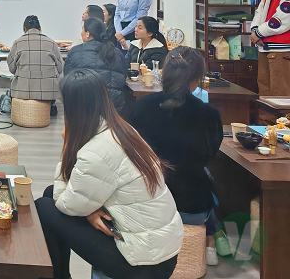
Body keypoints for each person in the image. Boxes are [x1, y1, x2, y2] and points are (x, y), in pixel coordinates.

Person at [35, 70, 182, 279]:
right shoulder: (122, 130)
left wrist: (66, 148)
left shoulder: (96, 152)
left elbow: (68, 205)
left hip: (142, 262)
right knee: (51, 193)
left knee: (43, 206)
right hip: (156, 247)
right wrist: (88, 212)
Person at [129, 47, 223, 266]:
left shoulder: (140, 107)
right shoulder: (209, 114)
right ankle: (211, 239)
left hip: (145, 203)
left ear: (164, 73)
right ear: (197, 79)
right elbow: (211, 154)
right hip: (192, 208)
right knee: (207, 178)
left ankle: (212, 239)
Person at [251, 0, 290, 121]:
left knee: (280, 95)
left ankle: (282, 131)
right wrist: (255, 29)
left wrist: (260, 32)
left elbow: (283, 17)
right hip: (265, 46)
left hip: (282, 49)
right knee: (264, 94)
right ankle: (266, 130)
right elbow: (260, 10)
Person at [63, 18, 128, 112]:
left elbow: (67, 76)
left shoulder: (75, 51)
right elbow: (123, 76)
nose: (81, 33)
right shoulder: (116, 52)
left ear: (88, 33)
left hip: (81, 106)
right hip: (111, 108)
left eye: (82, 30)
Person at [6, 15, 63, 117]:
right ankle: (51, 105)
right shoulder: (51, 43)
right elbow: (60, 69)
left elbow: (11, 68)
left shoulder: (17, 43)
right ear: (40, 28)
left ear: (25, 29)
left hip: (23, 91)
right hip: (49, 92)